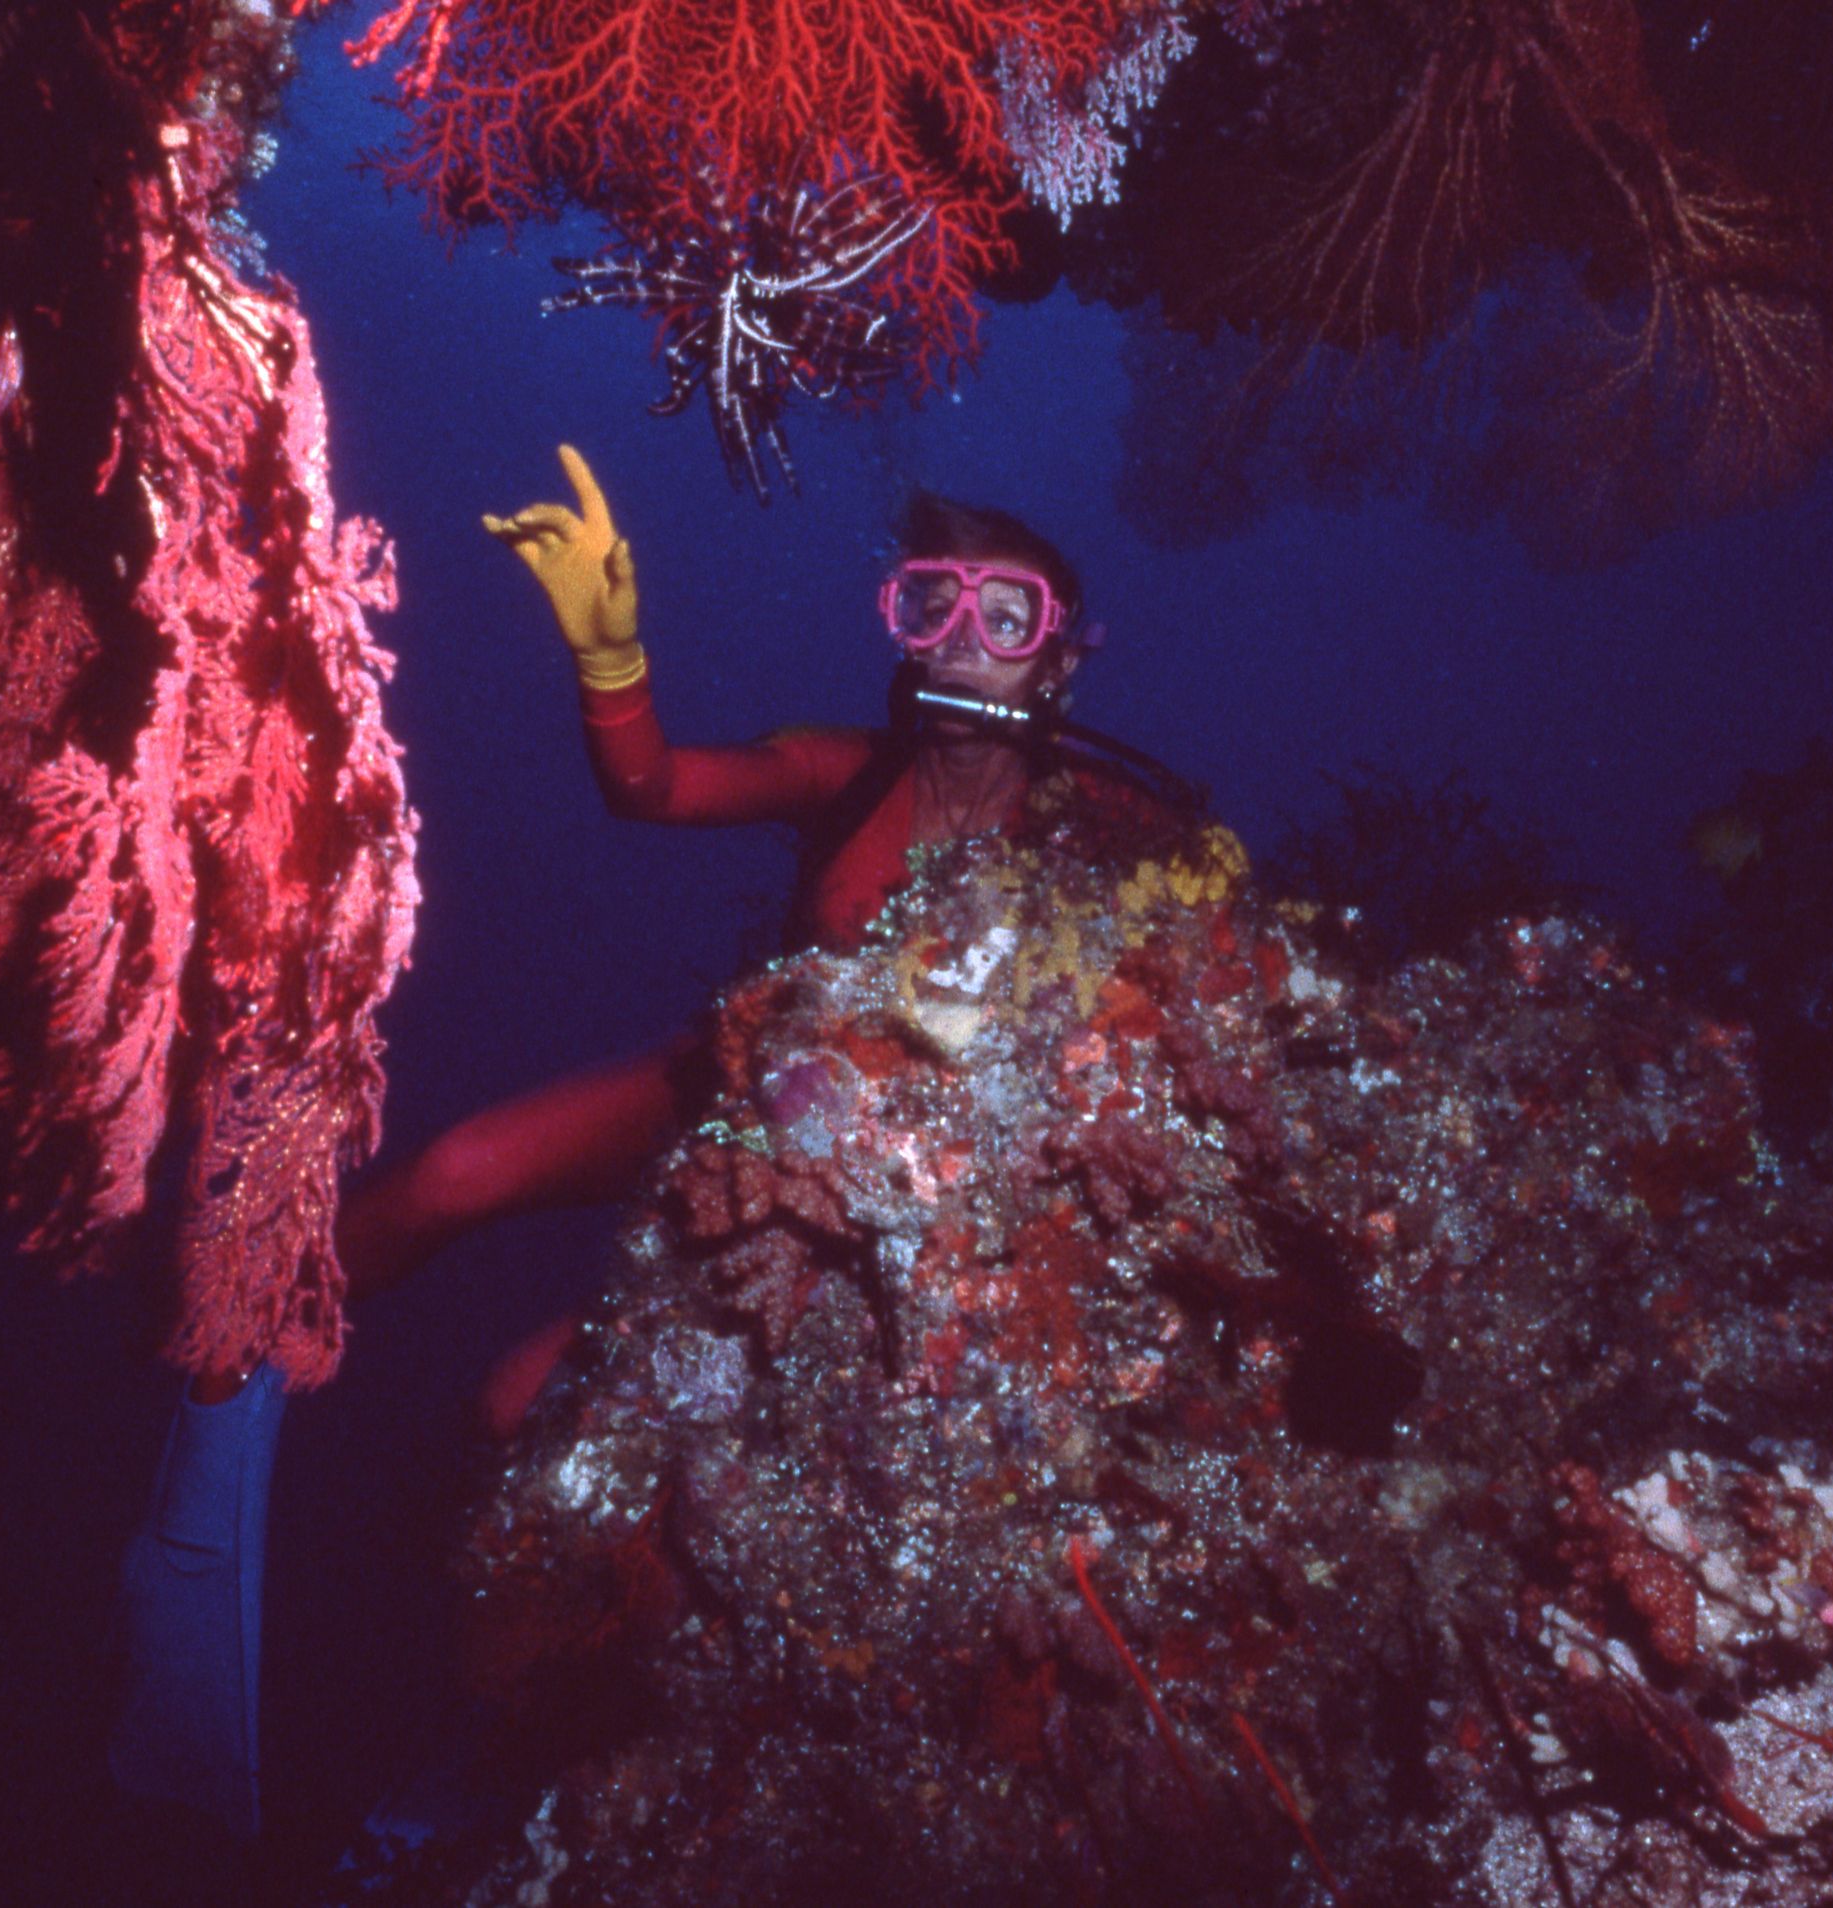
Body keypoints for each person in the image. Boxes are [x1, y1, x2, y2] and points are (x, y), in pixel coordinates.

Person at [112, 447, 1172, 1833]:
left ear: (1063, 664)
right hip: (731, 1101)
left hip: (862, 1217)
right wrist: (609, 648)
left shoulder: (1109, 829)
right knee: (454, 1172)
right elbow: (655, 787)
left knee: (516, 1408)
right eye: (930, 606)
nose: (963, 642)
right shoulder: (845, 772)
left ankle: (488, 1778)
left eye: (1007, 618)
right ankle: (224, 1356)